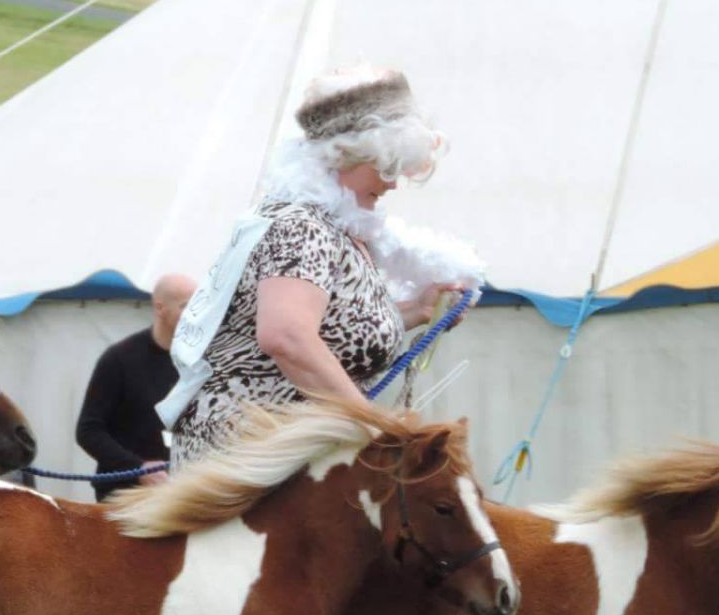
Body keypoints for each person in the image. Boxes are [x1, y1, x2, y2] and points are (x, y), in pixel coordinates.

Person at [160, 66, 484, 468]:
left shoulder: (334, 230)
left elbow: (327, 330)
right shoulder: (301, 227)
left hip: (291, 456)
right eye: (386, 168)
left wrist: (415, 312)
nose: (392, 184)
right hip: (250, 459)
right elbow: (287, 337)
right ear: (343, 156)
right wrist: (375, 431)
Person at [74, 272, 195, 500]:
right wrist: (138, 468)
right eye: (186, 306)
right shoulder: (120, 359)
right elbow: (88, 431)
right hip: (126, 498)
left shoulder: (200, 363)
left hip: (182, 497)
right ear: (160, 308)